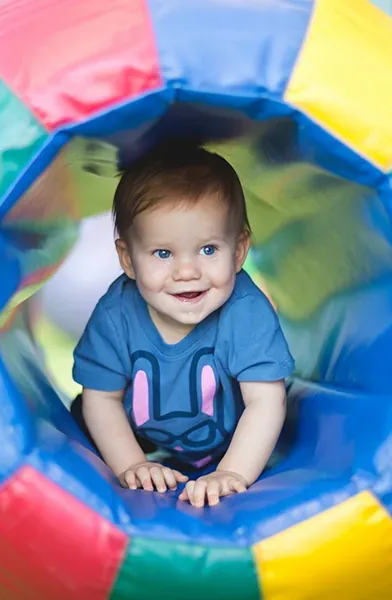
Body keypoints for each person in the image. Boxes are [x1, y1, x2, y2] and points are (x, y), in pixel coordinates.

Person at [70, 142, 295, 509]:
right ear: (128, 259)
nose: (187, 272)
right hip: (138, 432)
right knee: (80, 415)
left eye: (208, 249)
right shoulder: (117, 313)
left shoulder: (245, 310)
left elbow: (266, 401)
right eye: (163, 253)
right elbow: (103, 399)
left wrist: (232, 473)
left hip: (233, 435)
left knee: (285, 421)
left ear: (238, 251)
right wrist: (133, 466)